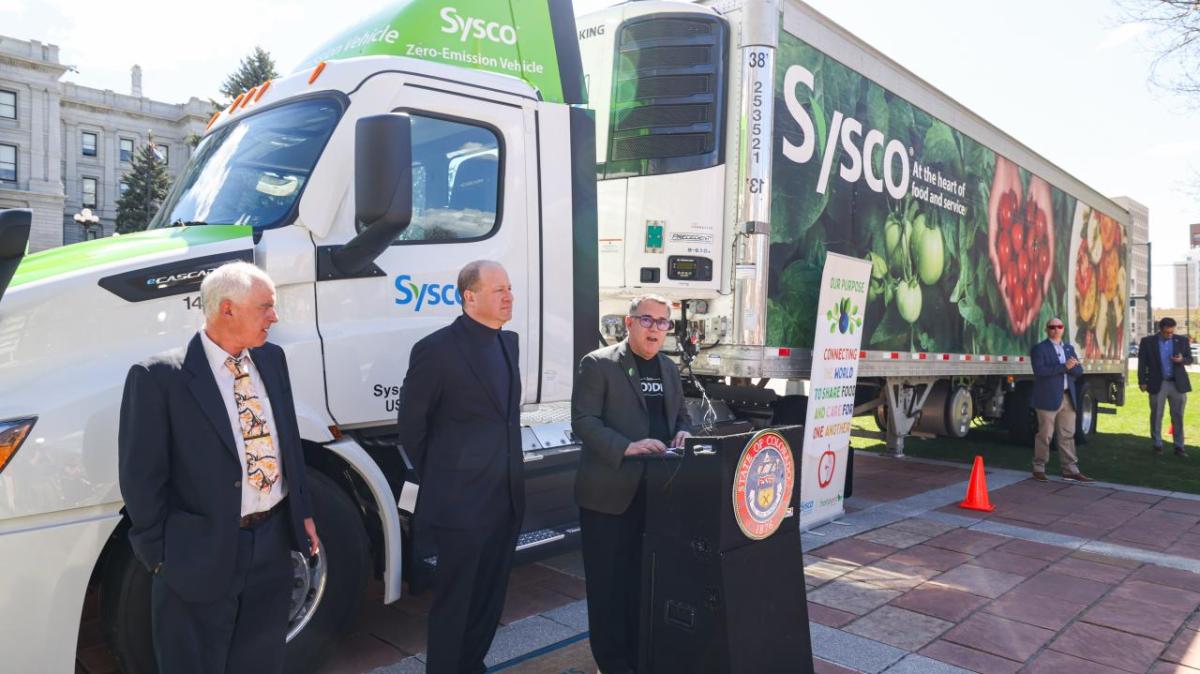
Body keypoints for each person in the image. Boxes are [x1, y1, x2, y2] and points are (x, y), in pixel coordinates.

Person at [118, 261, 319, 674]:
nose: (274, 317)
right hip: (197, 555)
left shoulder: (272, 360)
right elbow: (141, 478)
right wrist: (160, 557)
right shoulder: (158, 377)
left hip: (272, 543)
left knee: (260, 662)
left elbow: (287, 444)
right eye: (265, 306)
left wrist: (304, 513)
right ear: (227, 309)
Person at [397, 260, 523, 674]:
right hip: (461, 504)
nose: (508, 297)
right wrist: (446, 483)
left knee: (490, 597)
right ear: (470, 296)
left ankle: (473, 666)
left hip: (505, 496)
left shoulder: (509, 343)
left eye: (509, 288)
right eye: (498, 290)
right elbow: (413, 428)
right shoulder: (436, 349)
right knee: (456, 601)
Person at [572, 294, 693, 674]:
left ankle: (641, 657)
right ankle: (611, 664)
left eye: (663, 322)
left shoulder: (669, 369)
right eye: (647, 320)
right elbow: (584, 422)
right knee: (609, 589)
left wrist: (684, 434)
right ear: (629, 323)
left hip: (657, 496)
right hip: (609, 497)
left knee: (645, 584)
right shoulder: (599, 364)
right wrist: (628, 447)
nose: (655, 328)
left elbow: (683, 415)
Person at [1029, 317, 1092, 483]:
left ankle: (1070, 470)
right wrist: (1065, 367)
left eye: (1059, 326)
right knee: (1045, 435)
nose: (1056, 329)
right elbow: (1040, 371)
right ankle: (1039, 468)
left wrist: (1072, 367)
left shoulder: (1069, 348)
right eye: (1052, 327)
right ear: (1046, 329)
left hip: (1067, 396)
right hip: (1047, 398)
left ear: (1063, 329)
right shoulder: (1039, 349)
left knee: (1067, 434)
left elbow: (1078, 372)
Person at [1138, 317, 1194, 457]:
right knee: (1156, 414)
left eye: (1171, 332)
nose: (1170, 335)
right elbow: (1142, 363)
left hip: (1177, 384)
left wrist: (1182, 360)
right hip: (1158, 383)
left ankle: (1179, 447)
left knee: (1178, 416)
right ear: (1160, 330)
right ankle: (1157, 444)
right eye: (1166, 332)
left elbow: (1190, 359)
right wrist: (1142, 381)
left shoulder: (1181, 340)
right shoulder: (1147, 342)